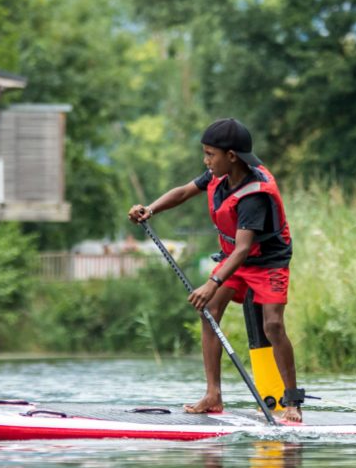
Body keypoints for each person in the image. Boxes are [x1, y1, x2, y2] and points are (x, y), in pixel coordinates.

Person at [128, 118, 303, 422]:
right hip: (235, 259)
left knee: (272, 325)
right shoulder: (217, 175)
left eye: (210, 154)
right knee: (209, 310)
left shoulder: (254, 196)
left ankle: (292, 402)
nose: (205, 160)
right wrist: (150, 209)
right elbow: (182, 192)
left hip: (267, 262)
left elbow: (244, 249)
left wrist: (212, 281)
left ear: (231, 156)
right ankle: (213, 395)